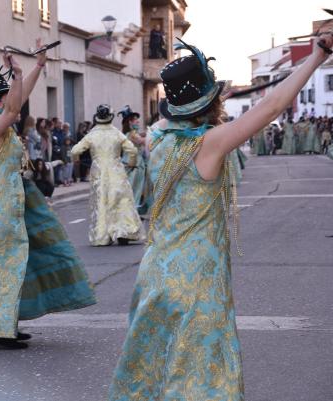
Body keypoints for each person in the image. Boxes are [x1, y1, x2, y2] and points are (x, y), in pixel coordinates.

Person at [109, 35, 333, 400]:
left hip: (155, 274)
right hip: (197, 279)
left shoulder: (156, 138)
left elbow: (185, 119)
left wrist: (206, 99)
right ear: (210, 103)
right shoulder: (209, 145)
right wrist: (317, 56)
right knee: (202, 377)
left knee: (152, 369)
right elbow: (272, 105)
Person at [0, 42, 96, 350]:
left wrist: (38, 66)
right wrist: (18, 71)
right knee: (2, 265)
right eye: (3, 97)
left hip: (12, 201)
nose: (10, 101)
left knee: (15, 264)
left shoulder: (3, 125)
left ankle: (4, 323)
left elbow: (17, 100)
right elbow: (14, 107)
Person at [72, 105, 146, 246]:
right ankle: (124, 231)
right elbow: (132, 150)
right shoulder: (116, 133)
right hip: (116, 170)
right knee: (121, 199)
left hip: (99, 172)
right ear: (111, 118)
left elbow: (75, 150)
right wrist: (131, 163)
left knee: (101, 202)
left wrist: (76, 161)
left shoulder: (91, 135)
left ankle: (102, 236)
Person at [119, 106, 147, 209]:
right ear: (130, 122)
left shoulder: (131, 133)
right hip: (134, 164)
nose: (138, 122)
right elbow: (142, 141)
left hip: (134, 163)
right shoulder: (132, 135)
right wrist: (154, 134)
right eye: (135, 120)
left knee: (134, 188)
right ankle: (131, 209)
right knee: (134, 188)